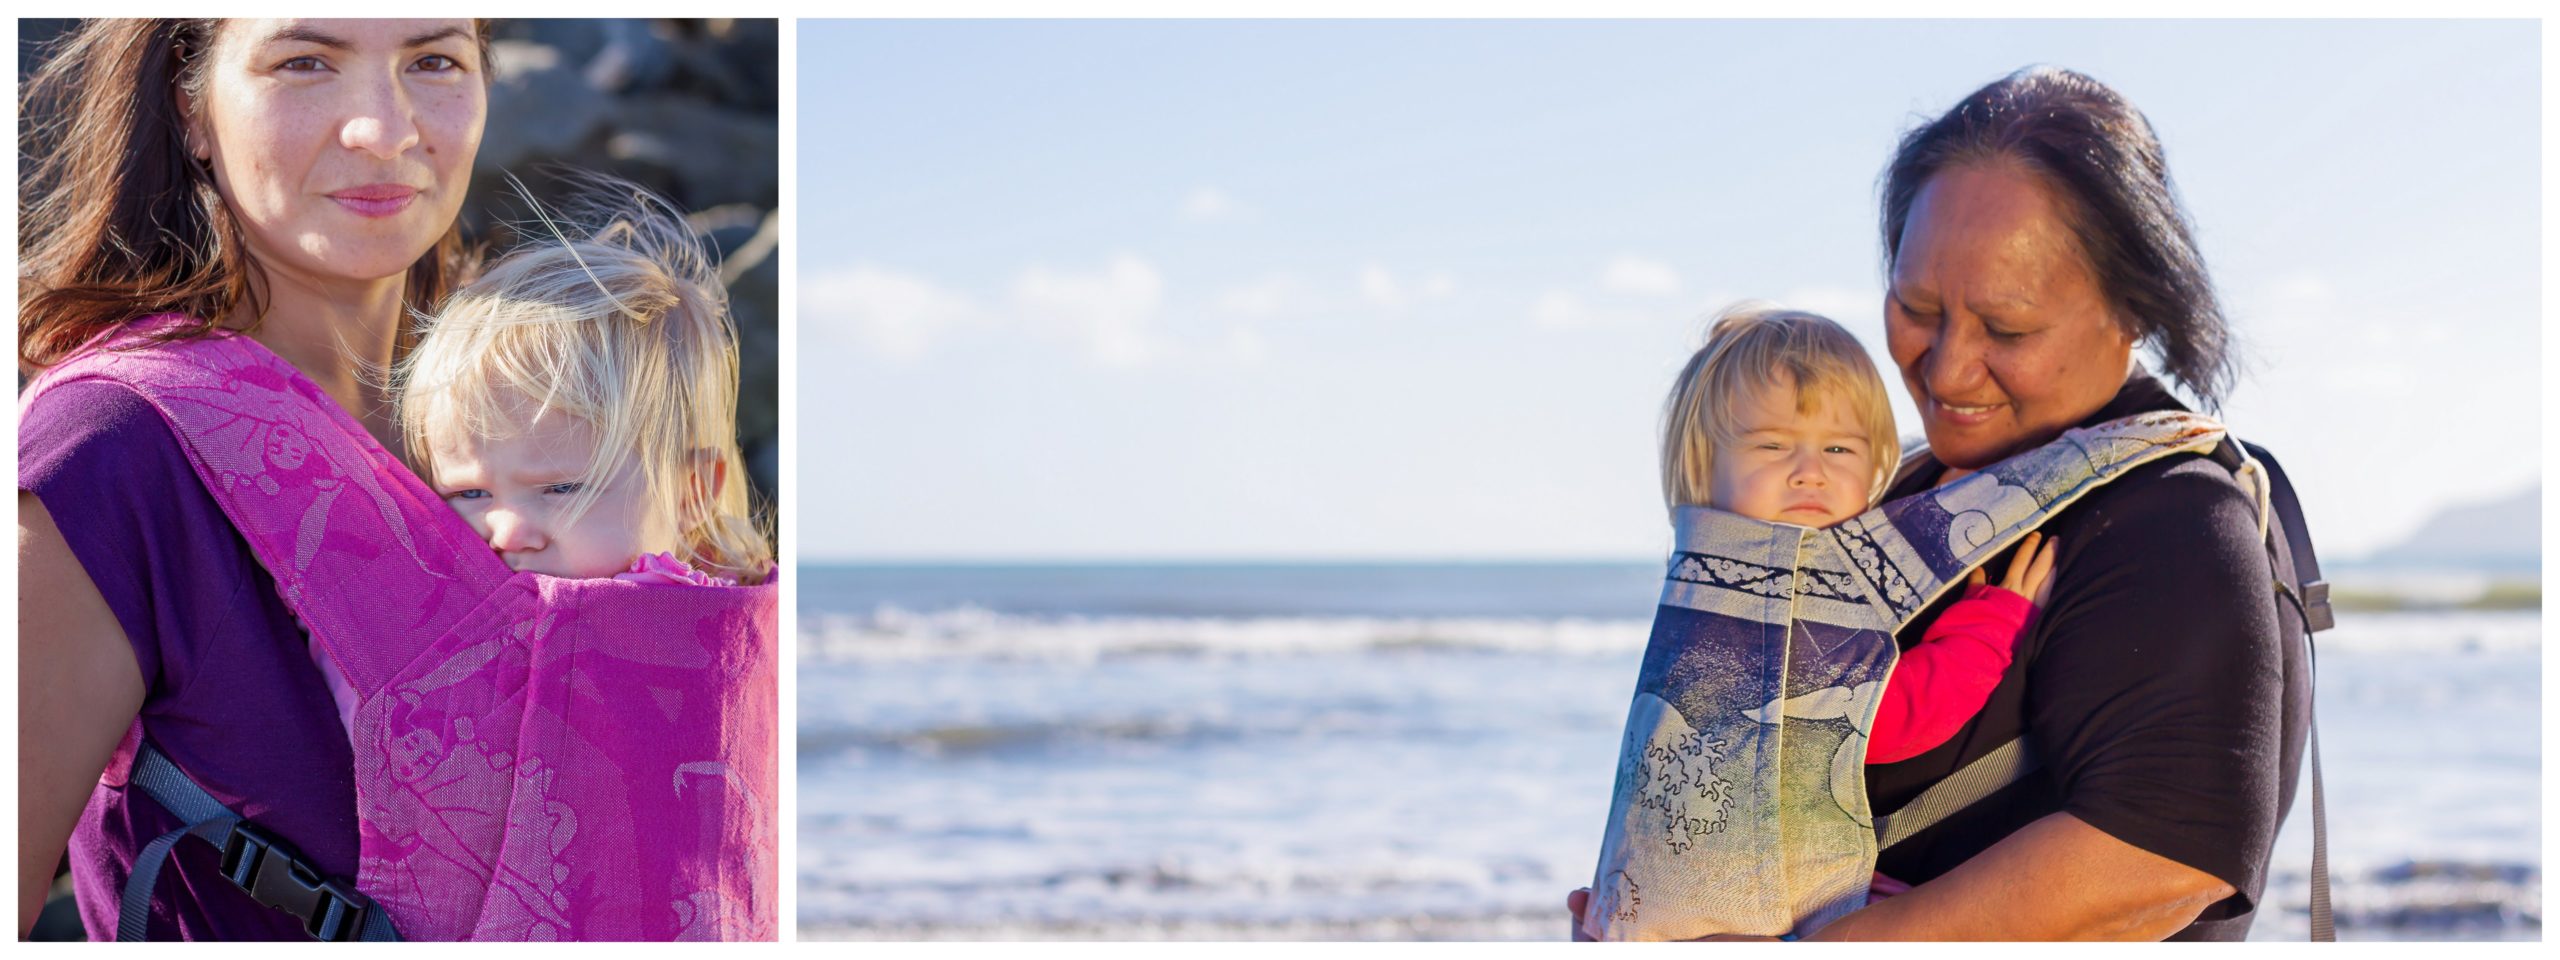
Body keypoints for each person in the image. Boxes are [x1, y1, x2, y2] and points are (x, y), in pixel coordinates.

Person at [1572, 65, 2311, 941]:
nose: (1948, 370)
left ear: (2133, 310)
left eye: (2008, 329)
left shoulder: (2174, 521)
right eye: (1917, 307)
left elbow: (2158, 865)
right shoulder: (1910, 486)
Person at [17, 18, 490, 939]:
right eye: (305, 63)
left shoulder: (528, 424)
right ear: (191, 107)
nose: (384, 129)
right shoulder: (111, 452)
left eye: (435, 61)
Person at [1654, 303, 2057, 770]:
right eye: (1772, 445)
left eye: (1838, 448)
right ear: (1702, 467)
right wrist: (1991, 629)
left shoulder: (1702, 583)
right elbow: (1879, 720)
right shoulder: (1752, 602)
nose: (1811, 472)